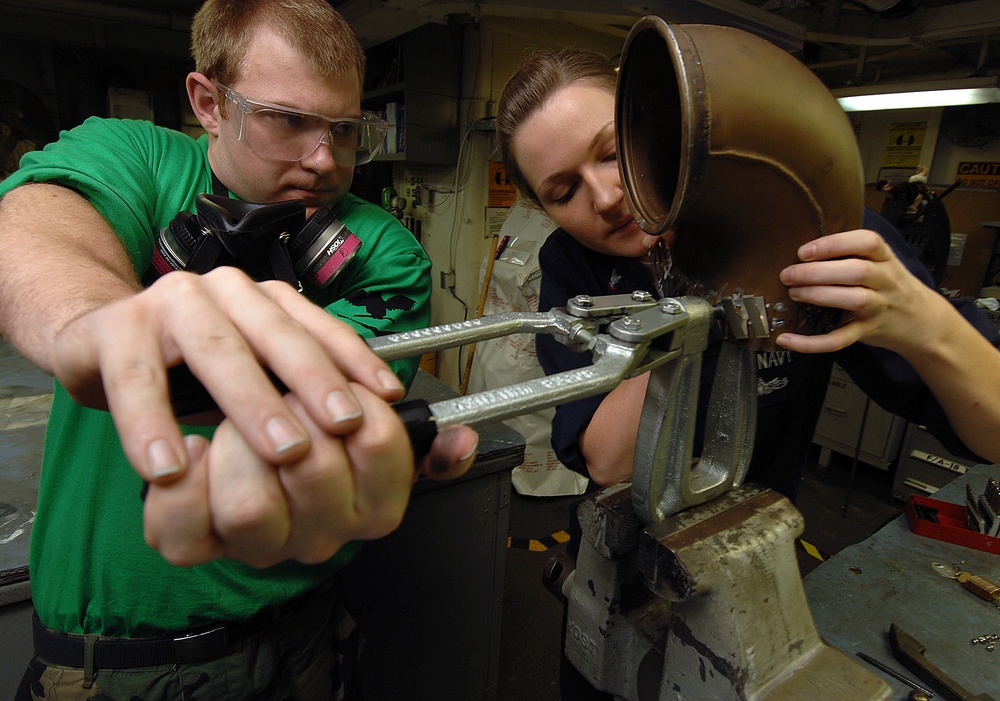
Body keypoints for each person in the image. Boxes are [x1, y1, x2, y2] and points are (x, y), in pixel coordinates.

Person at [0, 1, 478, 698]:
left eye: (345, 130)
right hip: (112, 662)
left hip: (300, 638)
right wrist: (95, 320)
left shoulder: (381, 251)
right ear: (210, 103)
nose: (323, 159)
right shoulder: (134, 156)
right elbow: (41, 226)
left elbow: (317, 419)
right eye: (287, 120)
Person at [495, 47, 1000, 700]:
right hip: (616, 570)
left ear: (657, 127)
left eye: (612, 153)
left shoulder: (803, 227)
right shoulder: (573, 263)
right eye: (563, 192)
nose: (607, 197)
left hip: (749, 573)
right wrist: (698, 293)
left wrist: (928, 323)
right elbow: (609, 457)